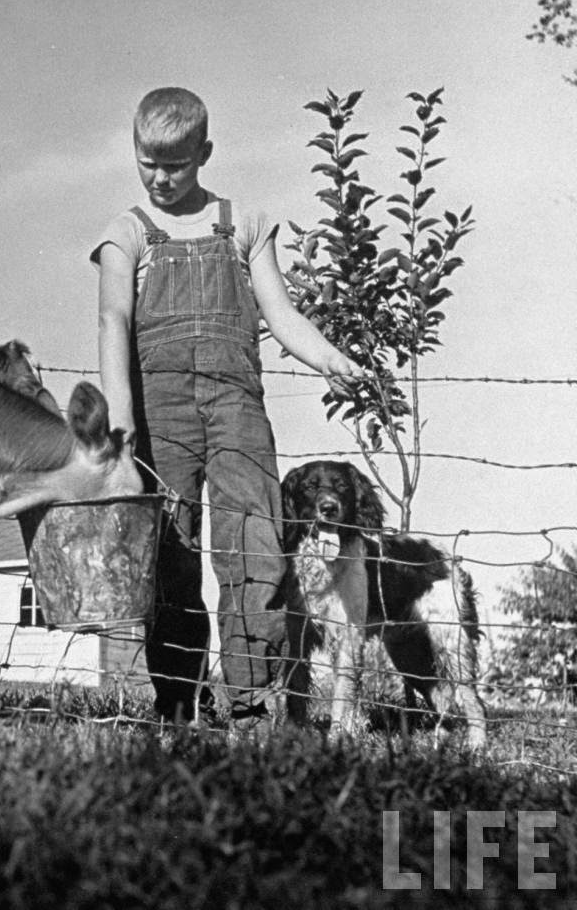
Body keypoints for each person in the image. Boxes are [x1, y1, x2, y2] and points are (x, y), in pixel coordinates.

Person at [92, 86, 365, 727]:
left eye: (176, 164)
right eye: (147, 161)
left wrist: (332, 359)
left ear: (204, 153)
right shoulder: (127, 233)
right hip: (158, 415)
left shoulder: (242, 224)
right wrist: (121, 415)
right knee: (171, 552)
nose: (160, 178)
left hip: (237, 406)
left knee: (256, 545)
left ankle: (250, 701)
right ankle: (180, 701)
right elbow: (112, 320)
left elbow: (282, 313)